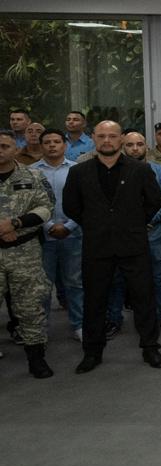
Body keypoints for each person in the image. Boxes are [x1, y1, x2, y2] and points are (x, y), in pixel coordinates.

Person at [62, 121, 161, 372]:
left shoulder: (140, 170)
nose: (107, 140)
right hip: (97, 245)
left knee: (143, 298)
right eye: (101, 136)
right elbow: (71, 207)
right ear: (94, 139)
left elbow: (154, 201)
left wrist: (133, 223)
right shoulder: (79, 172)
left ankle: (150, 348)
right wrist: (95, 224)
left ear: (120, 139)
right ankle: (92, 352)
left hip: (133, 244)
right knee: (95, 301)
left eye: (112, 136)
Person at [0, 129, 55, 377]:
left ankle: (36, 359)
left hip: (25, 251)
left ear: (15, 149)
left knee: (31, 307)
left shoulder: (33, 175)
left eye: (5, 146)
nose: (0, 151)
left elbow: (46, 207)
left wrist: (16, 224)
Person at [119, 130, 161, 337]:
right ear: (123, 147)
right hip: (125, 235)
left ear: (147, 147)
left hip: (155, 234)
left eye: (139, 144)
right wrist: (133, 225)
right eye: (130, 145)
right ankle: (114, 319)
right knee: (120, 279)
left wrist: (147, 221)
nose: (135, 149)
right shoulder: (114, 172)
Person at [33, 130, 84, 340]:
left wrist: (69, 226)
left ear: (65, 145)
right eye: (47, 142)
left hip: (73, 234)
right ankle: (40, 328)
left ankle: (79, 325)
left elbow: (86, 203)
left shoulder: (77, 170)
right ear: (41, 146)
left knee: (75, 283)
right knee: (41, 286)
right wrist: (48, 226)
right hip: (42, 237)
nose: (52, 145)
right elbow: (29, 204)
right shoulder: (31, 172)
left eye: (56, 141)